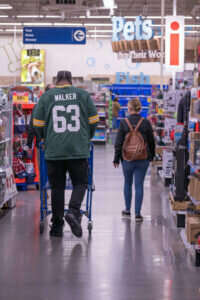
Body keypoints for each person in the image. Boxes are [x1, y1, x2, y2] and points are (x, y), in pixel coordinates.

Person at [33, 71, 99, 238]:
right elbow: (94, 121)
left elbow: (37, 123)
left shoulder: (47, 97)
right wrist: (87, 137)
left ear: (57, 81)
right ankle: (73, 211)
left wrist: (44, 137)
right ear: (71, 80)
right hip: (78, 149)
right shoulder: (83, 95)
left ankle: (57, 226)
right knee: (81, 182)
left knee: (57, 187)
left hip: (54, 150)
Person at [113, 98, 155, 222]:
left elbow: (119, 143)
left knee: (127, 183)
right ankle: (137, 214)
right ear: (140, 109)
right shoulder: (146, 122)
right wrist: (151, 156)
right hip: (143, 158)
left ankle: (127, 210)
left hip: (127, 159)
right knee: (139, 185)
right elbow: (151, 142)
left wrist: (116, 158)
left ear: (129, 109)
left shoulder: (123, 123)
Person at [26, 83, 55, 161]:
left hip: (42, 144)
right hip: (57, 145)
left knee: (43, 169)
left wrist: (29, 145)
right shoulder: (60, 106)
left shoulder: (39, 106)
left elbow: (32, 127)